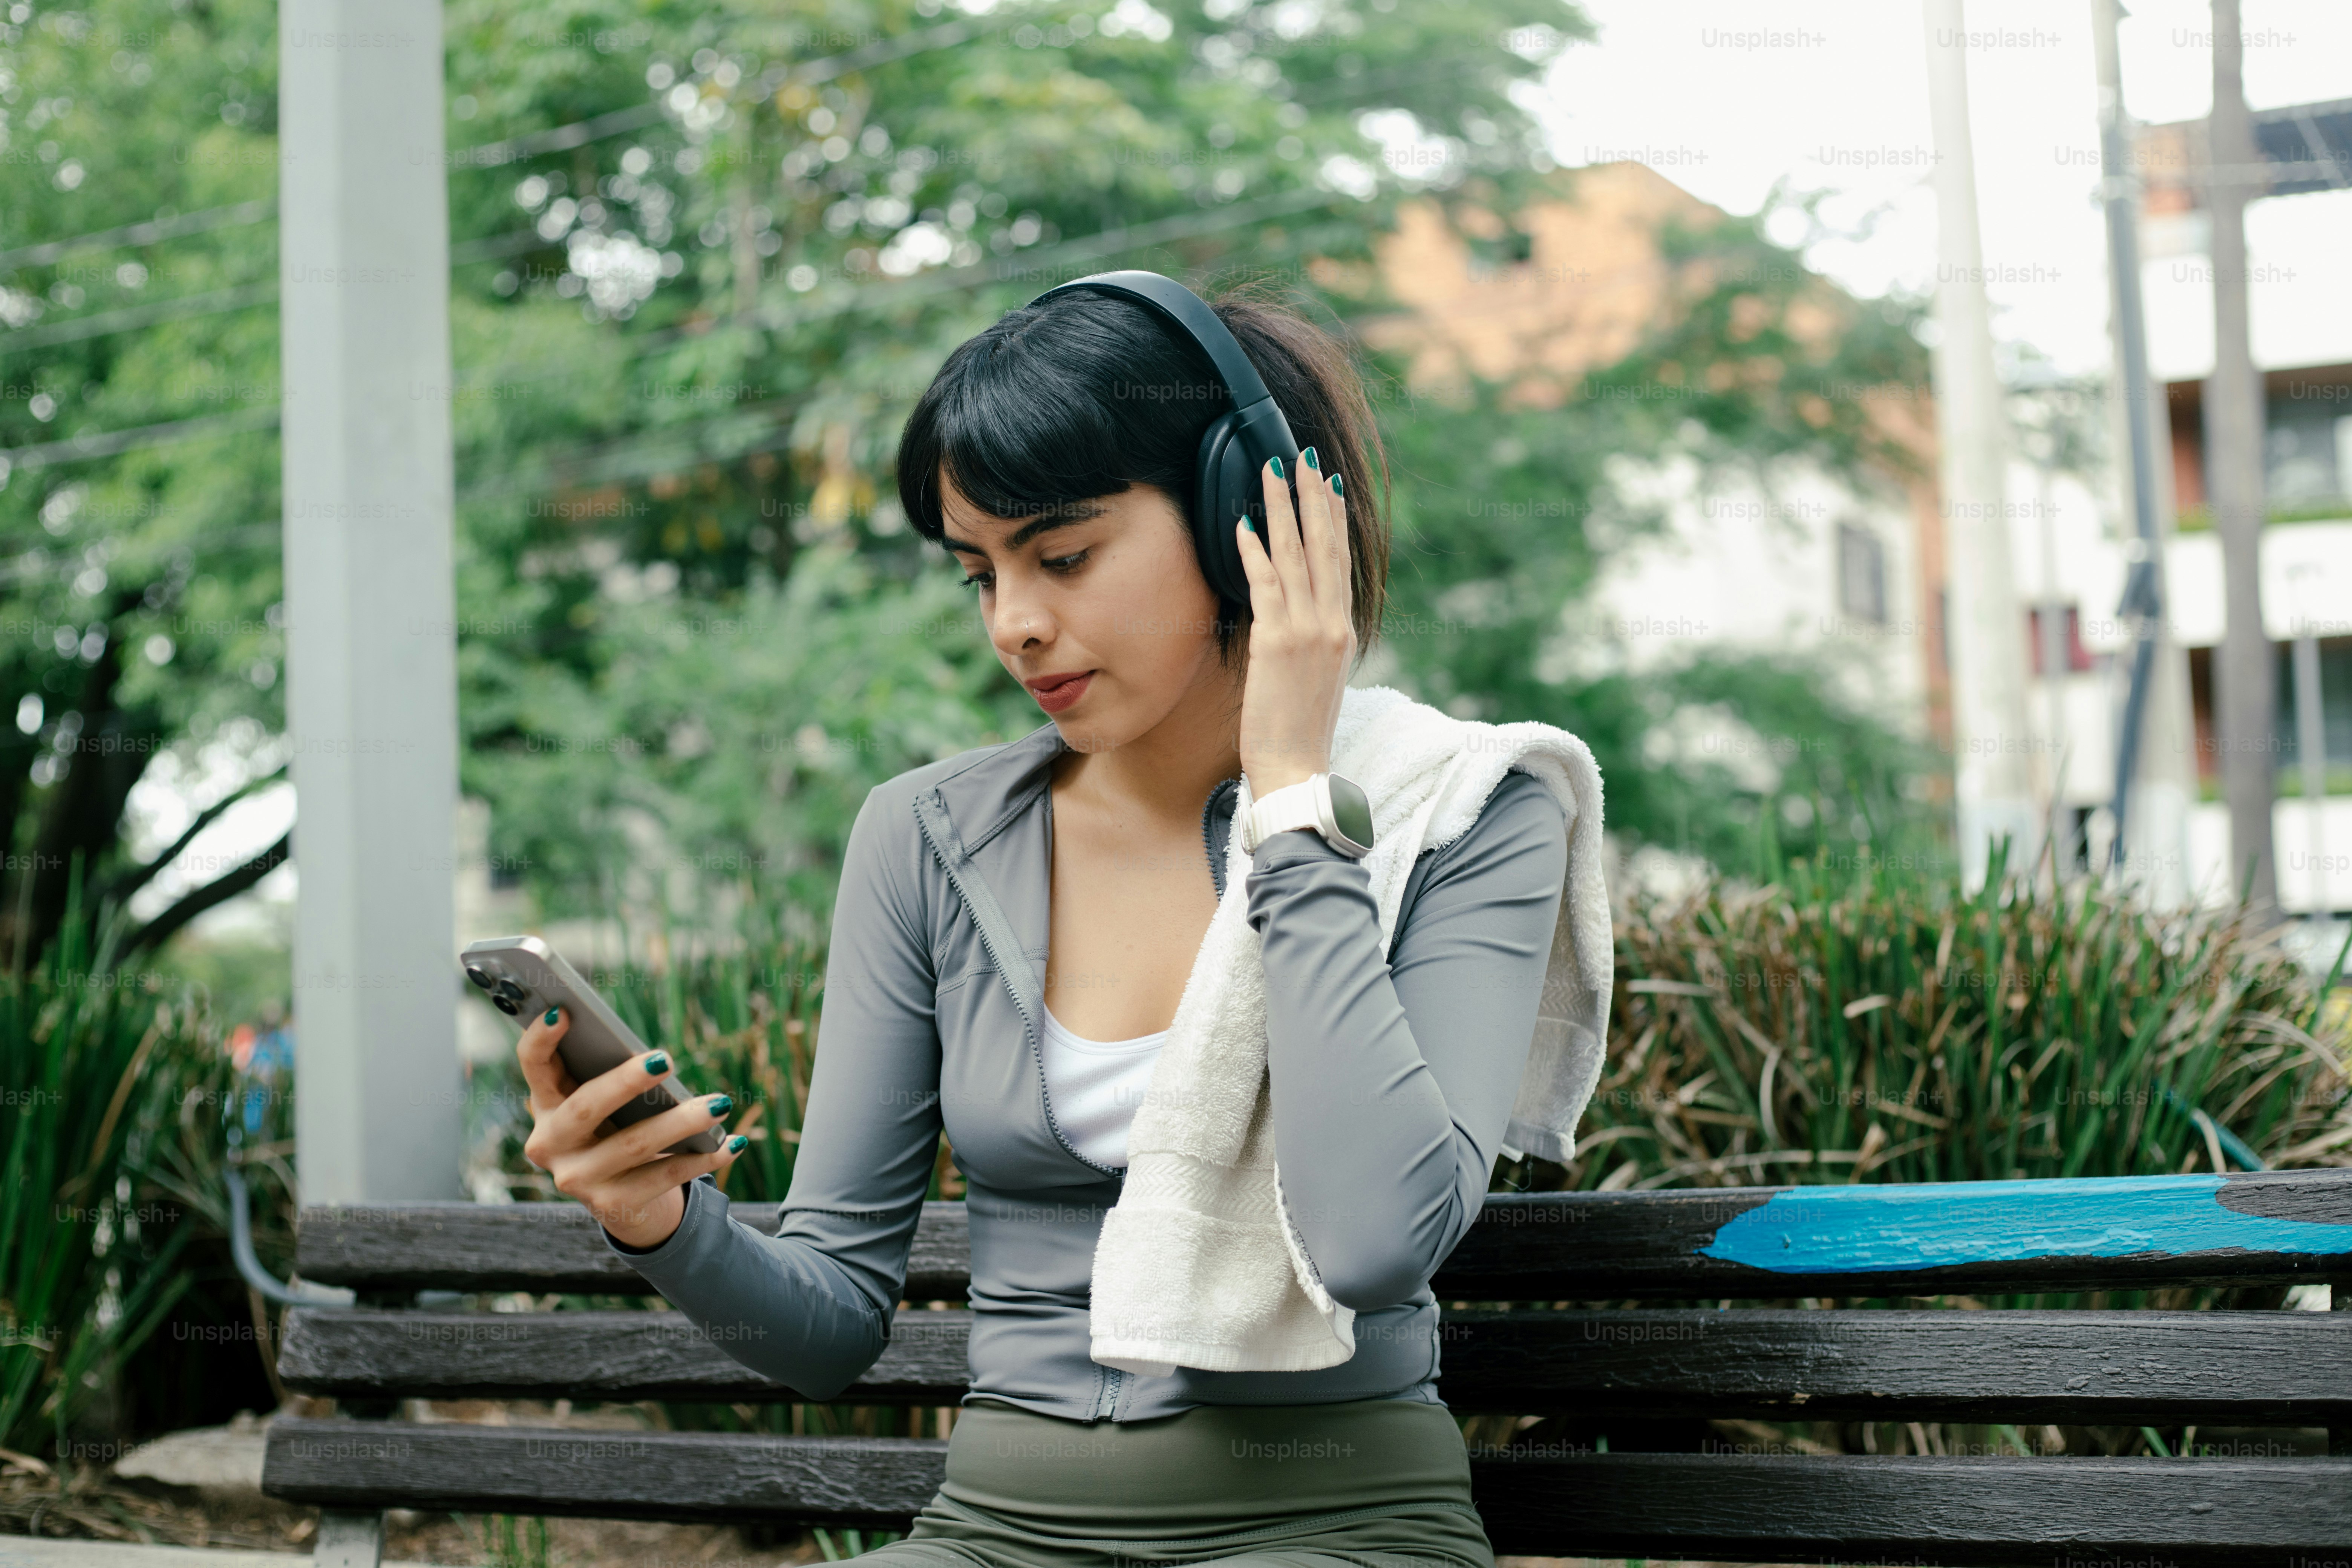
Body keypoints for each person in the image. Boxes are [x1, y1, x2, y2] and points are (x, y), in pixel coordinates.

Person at [515, 277, 1593, 1567]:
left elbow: (1370, 1241)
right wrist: (658, 1220)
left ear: (1244, 518)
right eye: (982, 574)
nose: (1016, 624)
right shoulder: (928, 838)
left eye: (1064, 556)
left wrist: (1297, 805)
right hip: (996, 1534)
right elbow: (826, 1327)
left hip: (1333, 1528)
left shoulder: (1462, 807)